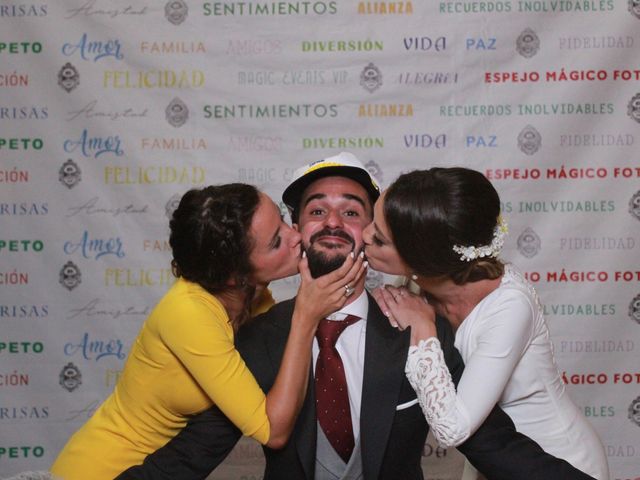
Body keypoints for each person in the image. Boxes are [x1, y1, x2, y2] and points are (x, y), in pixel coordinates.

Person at [117, 152, 596, 480]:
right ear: (295, 230)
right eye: (316, 210)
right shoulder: (258, 337)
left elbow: (494, 445)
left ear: (375, 232)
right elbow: (193, 453)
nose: (332, 221)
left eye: (351, 212)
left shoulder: (421, 329)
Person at [50, 183, 365, 479]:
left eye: (282, 221)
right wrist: (306, 317)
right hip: (105, 470)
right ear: (234, 276)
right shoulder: (189, 313)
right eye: (276, 242)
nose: (295, 235)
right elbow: (274, 430)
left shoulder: (253, 297)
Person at [362, 167, 609, 480]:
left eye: (379, 239)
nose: (364, 235)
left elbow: (452, 429)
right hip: (488, 463)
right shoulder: (417, 285)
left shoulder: (509, 307)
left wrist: (423, 331)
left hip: (552, 464)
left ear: (423, 259)